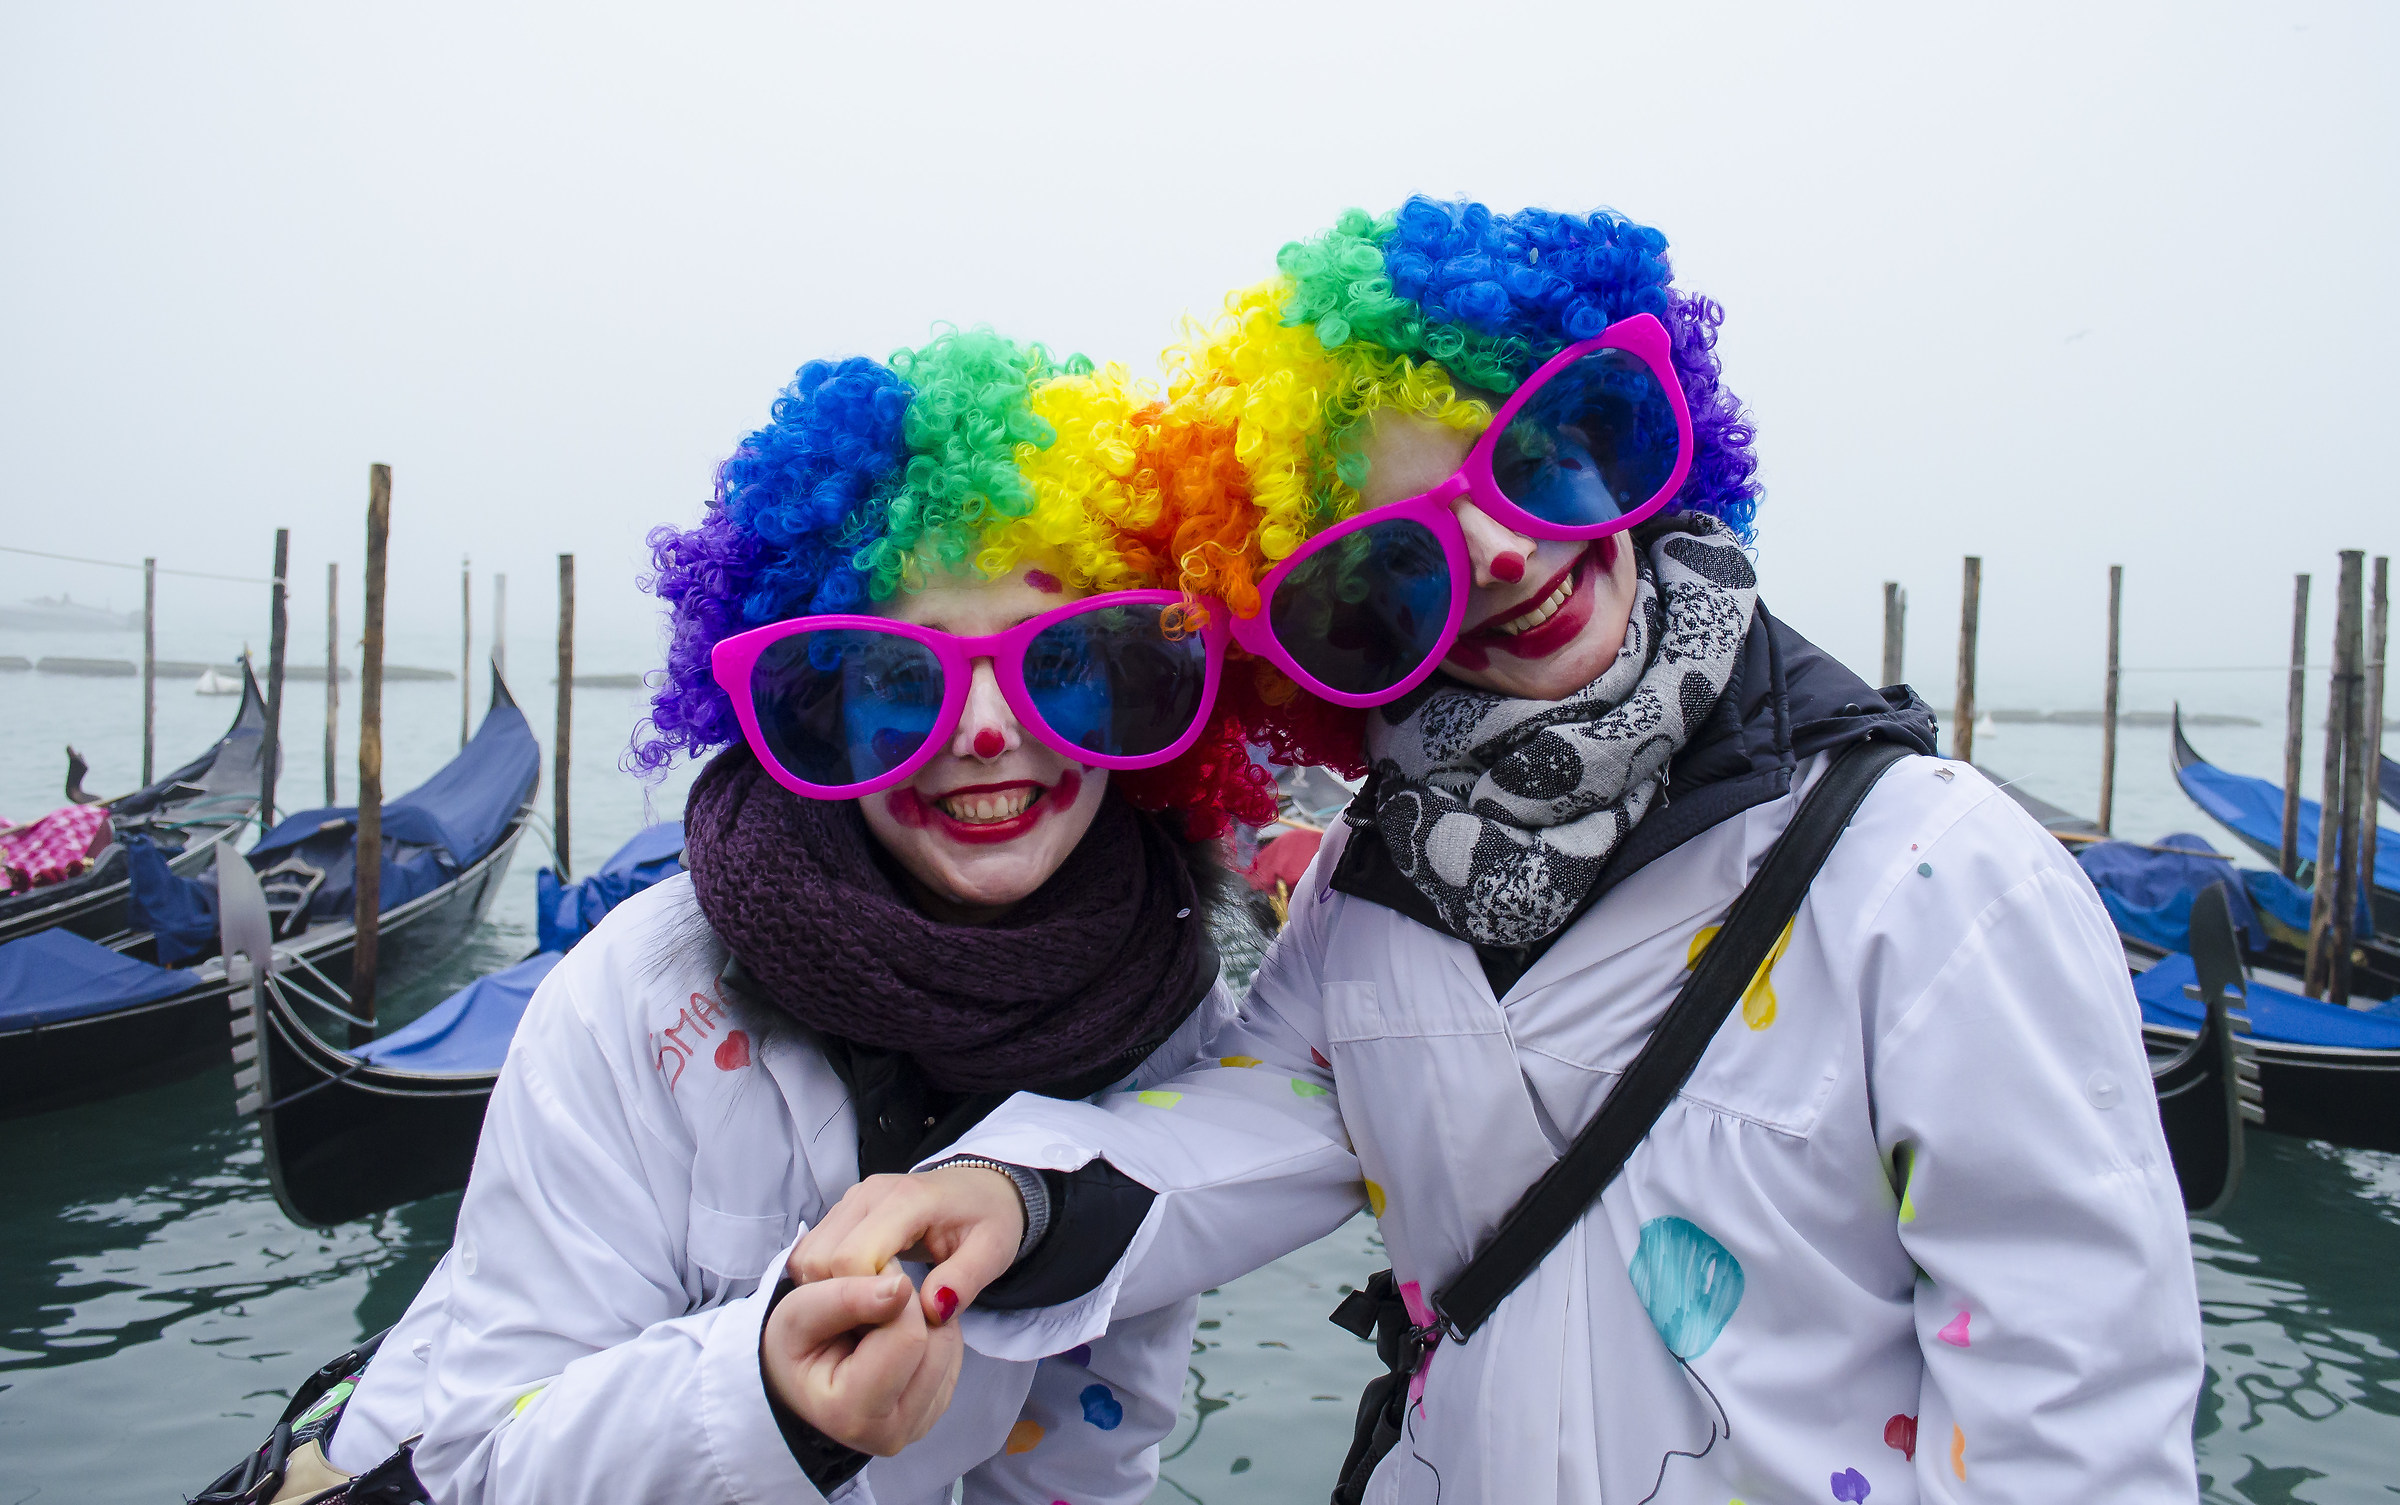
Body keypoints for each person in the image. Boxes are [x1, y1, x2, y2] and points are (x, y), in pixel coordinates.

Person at [796, 200, 2208, 1502]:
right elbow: (1251, 1127)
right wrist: (1007, 1192)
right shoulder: (1375, 890)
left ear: (1617, 438)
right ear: (1339, 625)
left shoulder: (1937, 877)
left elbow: (2076, 1417)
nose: (1498, 549)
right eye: (1396, 558)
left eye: (1529, 458)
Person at [319, 328, 1291, 1505]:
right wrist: (768, 1398)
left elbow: (1087, 1444)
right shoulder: (641, 985)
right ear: (817, 708)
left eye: (1062, 657)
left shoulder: (1165, 1008)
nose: (987, 728)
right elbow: (482, 1457)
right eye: (900, 677)